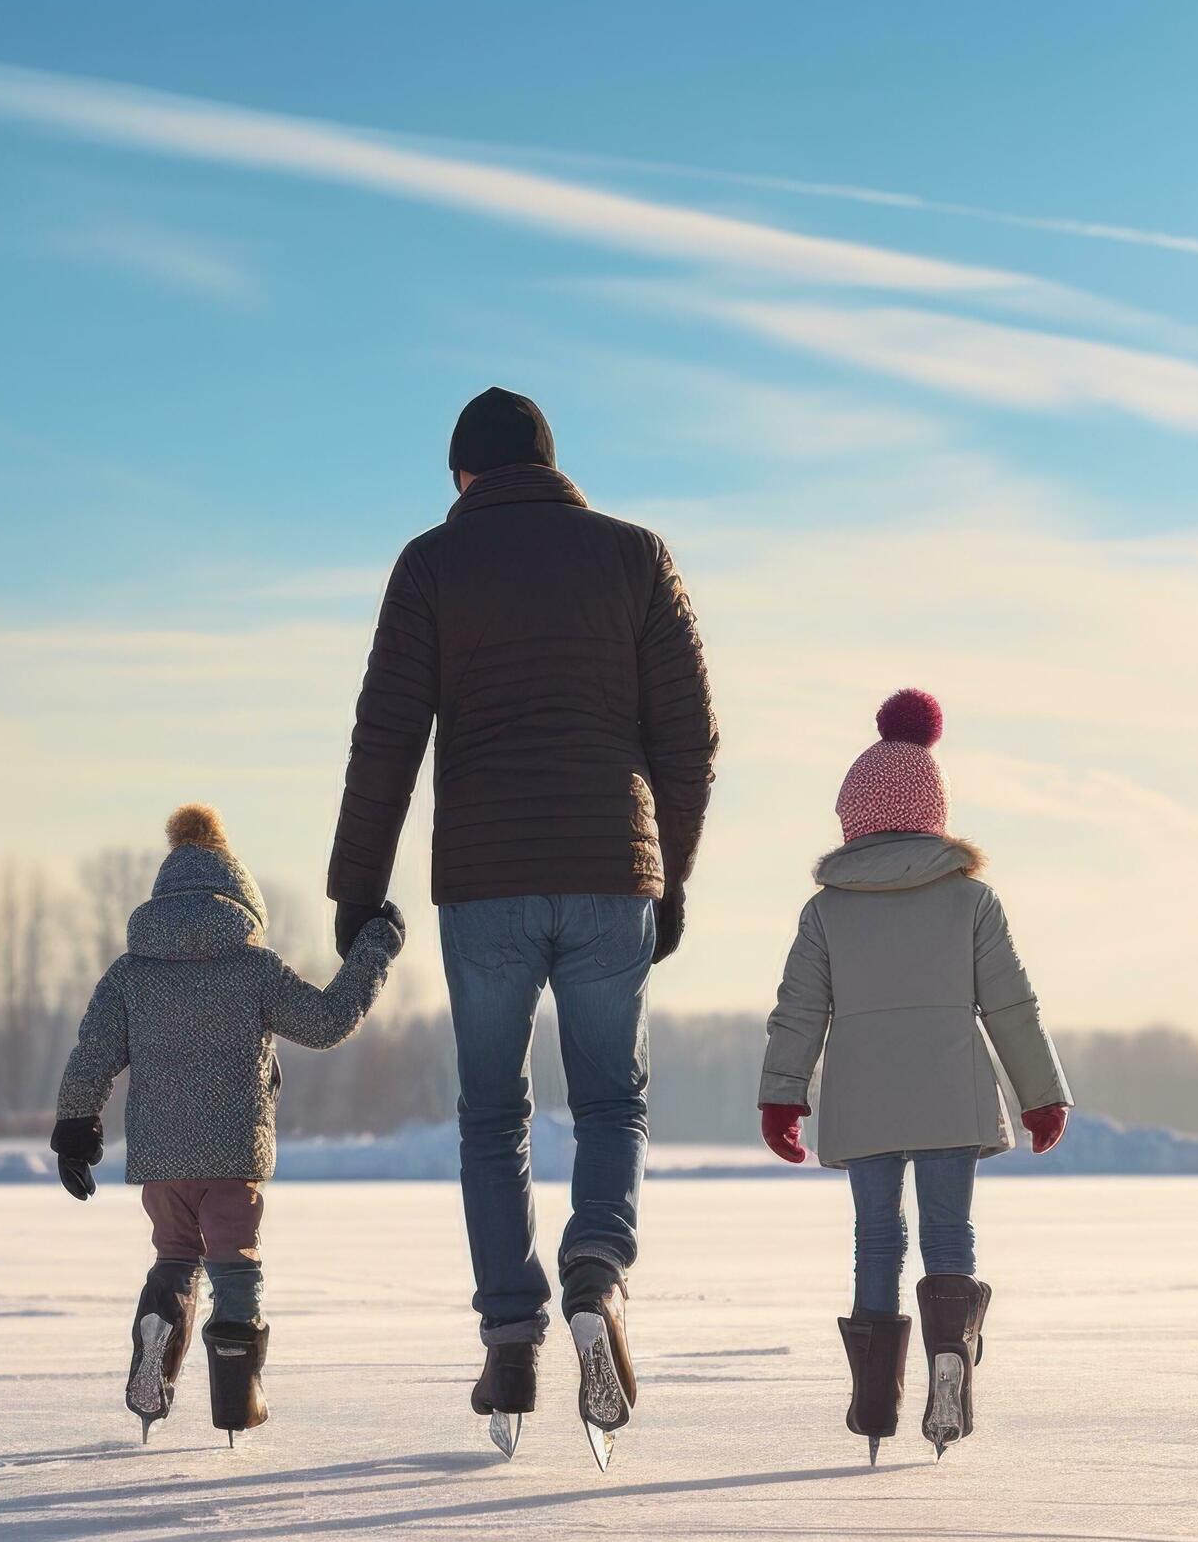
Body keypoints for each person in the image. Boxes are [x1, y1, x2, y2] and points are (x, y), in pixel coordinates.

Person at [326, 387, 718, 1462]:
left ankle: (510, 1337)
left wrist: (355, 892)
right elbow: (691, 737)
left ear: (464, 476)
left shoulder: (431, 566)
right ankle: (596, 1271)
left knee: (494, 1115)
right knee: (611, 1101)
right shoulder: (637, 555)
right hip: (608, 872)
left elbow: (385, 739)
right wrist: (666, 875)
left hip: (487, 879)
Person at [755, 690, 1071, 1462]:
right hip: (948, 1097)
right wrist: (1041, 1093)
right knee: (947, 1231)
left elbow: (798, 1011)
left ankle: (873, 1400)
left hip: (864, 1103)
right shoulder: (971, 901)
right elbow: (1011, 1005)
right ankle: (951, 1353)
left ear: (852, 817)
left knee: (876, 1239)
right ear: (934, 811)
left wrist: (782, 1095)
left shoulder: (827, 911)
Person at [52, 804, 403, 1445]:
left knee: (174, 1258)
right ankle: (238, 1396)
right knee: (235, 1269)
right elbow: (325, 1023)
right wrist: (374, 948)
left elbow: (91, 1054)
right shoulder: (251, 968)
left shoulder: (131, 974)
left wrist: (76, 1126)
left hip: (162, 1163)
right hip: (233, 1159)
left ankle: (159, 1329)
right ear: (239, 893)